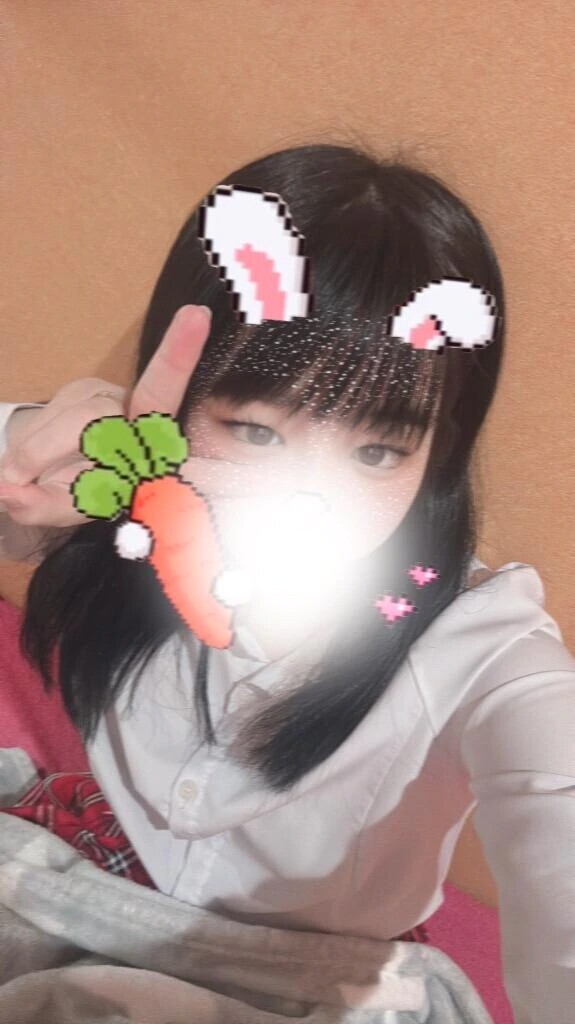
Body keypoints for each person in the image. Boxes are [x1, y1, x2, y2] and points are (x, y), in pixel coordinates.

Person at [0, 142, 573, 1024]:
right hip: (82, 871)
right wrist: (20, 446)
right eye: (257, 431)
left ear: (438, 456)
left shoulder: (479, 649)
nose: (314, 499)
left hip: (308, 976)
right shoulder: (133, 512)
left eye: (377, 451)